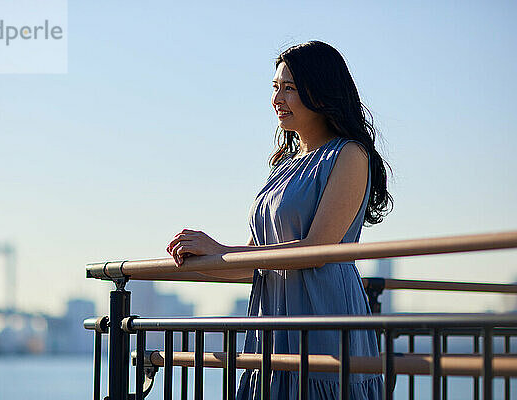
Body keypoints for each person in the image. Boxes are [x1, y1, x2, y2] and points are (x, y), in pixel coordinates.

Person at [166, 40, 393, 399]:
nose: (277, 99)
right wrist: (205, 257)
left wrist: (221, 248)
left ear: (320, 91)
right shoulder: (283, 165)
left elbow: (317, 250)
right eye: (275, 88)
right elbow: (258, 262)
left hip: (324, 314)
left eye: (289, 88)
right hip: (273, 321)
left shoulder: (349, 155)